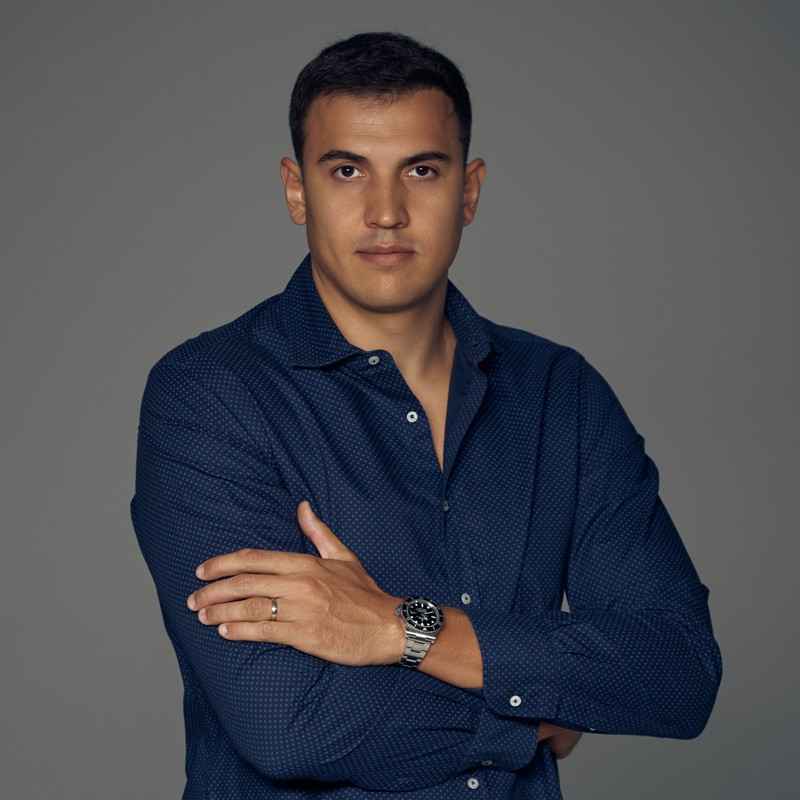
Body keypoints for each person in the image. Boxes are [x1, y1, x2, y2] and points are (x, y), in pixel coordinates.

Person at [130, 30, 722, 799]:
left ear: (468, 191)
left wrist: (400, 629)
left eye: (421, 170)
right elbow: (287, 724)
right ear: (296, 190)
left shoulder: (560, 395)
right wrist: (537, 702)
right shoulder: (211, 394)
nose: (386, 212)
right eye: (347, 170)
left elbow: (678, 672)